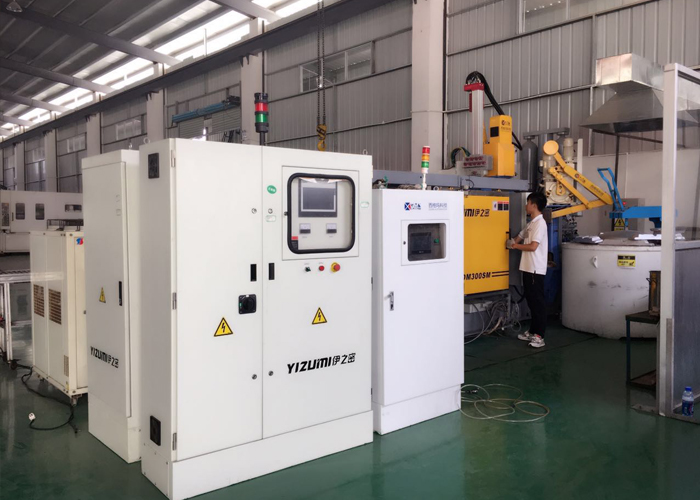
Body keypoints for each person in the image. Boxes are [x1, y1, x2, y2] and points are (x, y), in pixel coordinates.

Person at [506, 192, 548, 348]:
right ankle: (532, 331)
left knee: (537, 303)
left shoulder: (540, 224)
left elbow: (533, 246)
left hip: (535, 270)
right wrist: (511, 241)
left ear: (534, 205)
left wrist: (515, 246)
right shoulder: (531, 223)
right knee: (531, 302)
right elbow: (521, 235)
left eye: (528, 203)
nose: (525, 205)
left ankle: (539, 336)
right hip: (528, 268)